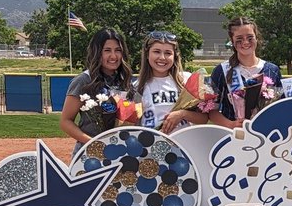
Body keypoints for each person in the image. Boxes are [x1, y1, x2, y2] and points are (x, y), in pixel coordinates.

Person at [60, 28, 134, 157]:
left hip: (119, 154)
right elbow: (65, 121)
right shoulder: (84, 80)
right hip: (90, 154)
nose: (113, 56)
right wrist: (94, 143)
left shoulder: (125, 81)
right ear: (97, 52)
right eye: (107, 50)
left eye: (118, 50)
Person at [207, 17, 284, 128]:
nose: (245, 42)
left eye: (250, 37)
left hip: (265, 135)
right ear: (232, 41)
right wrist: (231, 124)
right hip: (233, 136)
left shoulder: (272, 70)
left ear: (257, 38)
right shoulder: (222, 70)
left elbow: (279, 108)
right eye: (239, 39)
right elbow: (211, 110)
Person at [134, 31, 209, 133]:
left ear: (175, 56)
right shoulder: (137, 87)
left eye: (168, 53)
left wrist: (182, 114)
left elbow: (204, 119)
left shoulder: (186, 80)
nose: (162, 57)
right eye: (156, 51)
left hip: (184, 143)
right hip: (151, 145)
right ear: (147, 54)